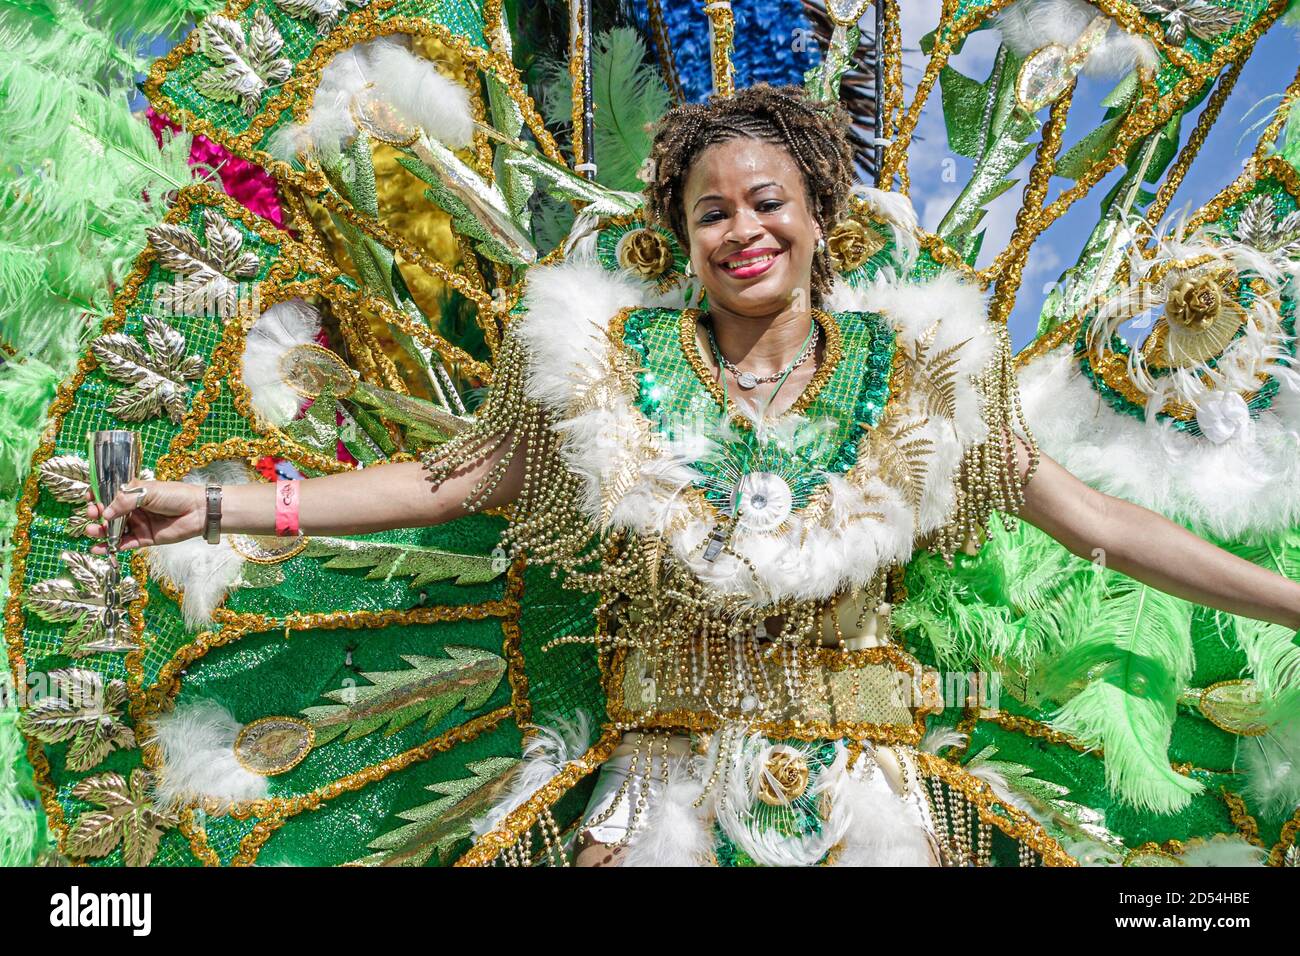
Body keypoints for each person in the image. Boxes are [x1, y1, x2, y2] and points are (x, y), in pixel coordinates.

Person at [84, 85, 1300, 867]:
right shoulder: (600, 373)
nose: (742, 231)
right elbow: (448, 480)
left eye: (766, 201)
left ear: (822, 215)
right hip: (656, 787)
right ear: (678, 236)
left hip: (871, 796)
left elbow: (1100, 523)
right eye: (709, 212)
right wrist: (223, 504)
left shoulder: (924, 375)